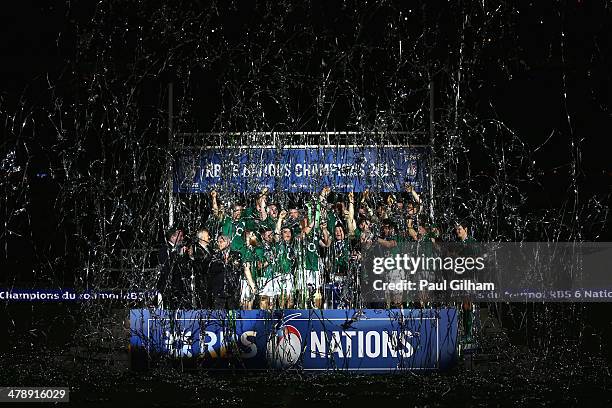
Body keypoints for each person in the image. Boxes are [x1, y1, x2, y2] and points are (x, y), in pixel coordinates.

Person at [157, 227, 192, 309]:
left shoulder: (181, 249)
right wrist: (179, 256)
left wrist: (189, 256)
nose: (182, 238)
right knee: (170, 310)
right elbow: (167, 266)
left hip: (181, 286)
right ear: (173, 237)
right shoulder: (164, 249)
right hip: (170, 286)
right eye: (180, 236)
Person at [208, 234, 242, 309]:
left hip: (232, 290)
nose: (219, 244)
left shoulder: (236, 255)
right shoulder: (215, 256)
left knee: (232, 314)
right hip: (219, 290)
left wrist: (228, 263)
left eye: (221, 242)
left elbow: (237, 269)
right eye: (218, 242)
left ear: (228, 242)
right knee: (218, 314)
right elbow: (212, 271)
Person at [190, 228, 213, 308]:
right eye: (207, 236)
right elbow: (200, 265)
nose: (209, 237)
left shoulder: (210, 248)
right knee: (204, 302)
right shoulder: (197, 249)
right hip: (202, 281)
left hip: (210, 280)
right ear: (202, 238)